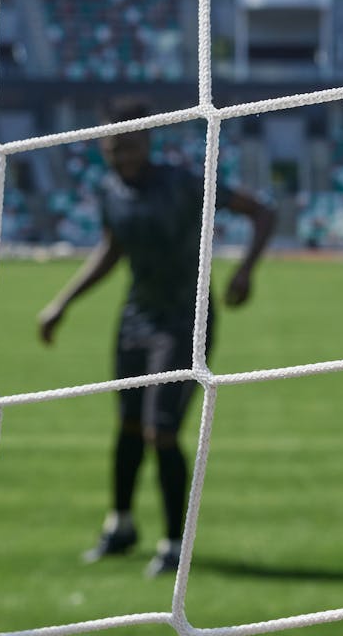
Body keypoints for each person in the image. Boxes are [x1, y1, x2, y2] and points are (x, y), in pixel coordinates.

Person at [38, 100, 275, 577]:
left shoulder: (183, 184)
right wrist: (63, 302)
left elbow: (261, 213)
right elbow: (112, 249)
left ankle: (173, 544)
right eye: (111, 147)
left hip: (184, 320)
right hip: (135, 321)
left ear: (147, 141)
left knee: (160, 432)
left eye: (127, 145)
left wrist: (245, 272)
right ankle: (120, 526)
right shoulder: (109, 191)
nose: (119, 155)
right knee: (127, 427)